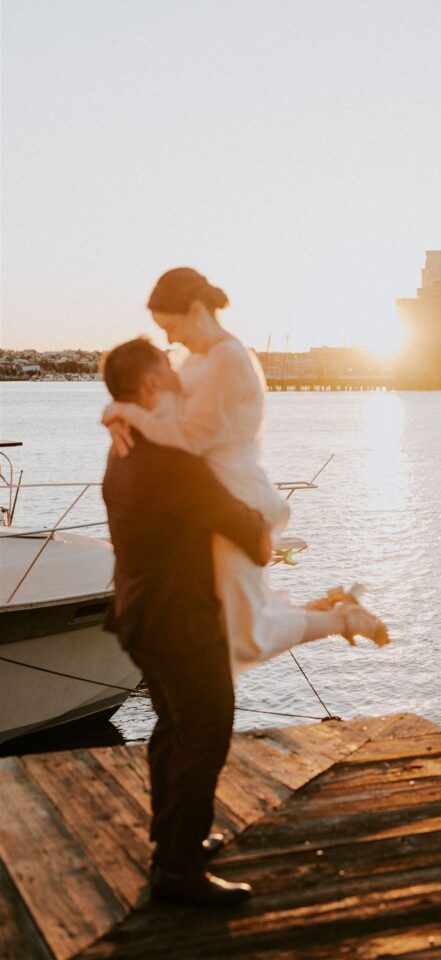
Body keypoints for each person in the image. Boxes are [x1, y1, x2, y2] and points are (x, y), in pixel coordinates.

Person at [102, 267, 389, 679]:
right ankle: (336, 613)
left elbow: (188, 438)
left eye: (170, 326)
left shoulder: (228, 360)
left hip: (232, 494)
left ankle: (345, 619)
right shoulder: (198, 358)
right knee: (236, 622)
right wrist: (119, 414)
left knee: (242, 635)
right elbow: (163, 406)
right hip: (212, 492)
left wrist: (122, 410)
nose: (168, 339)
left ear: (196, 311)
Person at [101, 338, 271, 908]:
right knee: (204, 732)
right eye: (169, 372)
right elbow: (251, 535)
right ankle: (177, 870)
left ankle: (176, 838)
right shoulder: (172, 463)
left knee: (173, 729)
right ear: (149, 387)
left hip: (137, 613)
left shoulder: (125, 446)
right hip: (179, 623)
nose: (178, 379)